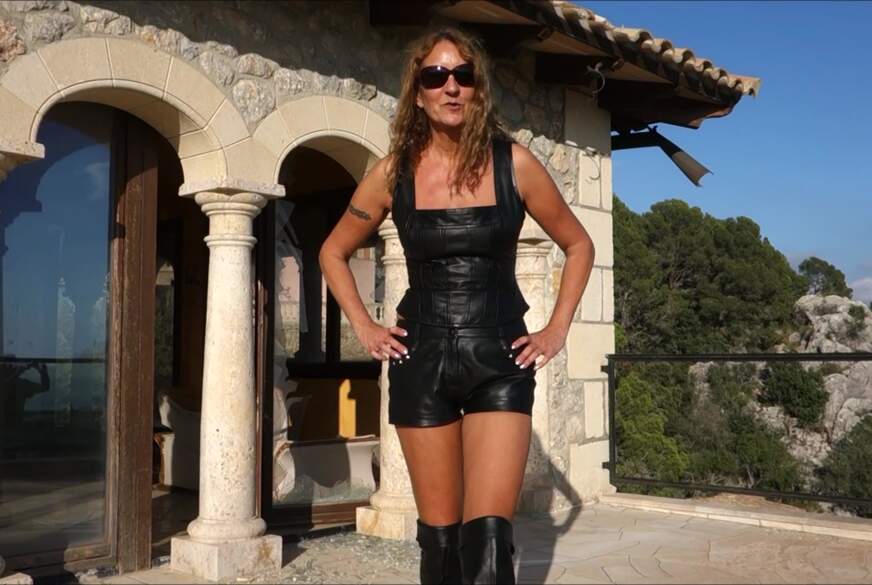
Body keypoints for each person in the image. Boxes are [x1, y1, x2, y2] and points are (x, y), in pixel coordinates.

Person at [319, 27, 595, 585]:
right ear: (418, 93)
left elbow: (579, 244)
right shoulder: (392, 173)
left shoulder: (514, 164)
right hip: (420, 362)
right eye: (436, 76)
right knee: (440, 544)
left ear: (477, 88)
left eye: (463, 75)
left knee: (489, 543)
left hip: (499, 360)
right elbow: (332, 251)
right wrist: (366, 326)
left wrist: (556, 329)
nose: (451, 86)